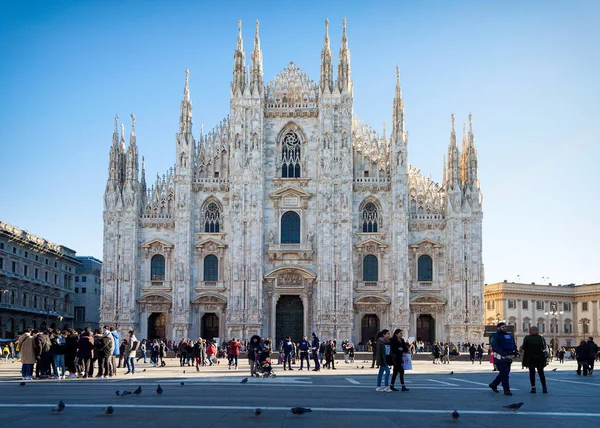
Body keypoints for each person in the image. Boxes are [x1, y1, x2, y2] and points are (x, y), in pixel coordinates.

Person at [489, 322, 518, 396]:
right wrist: (503, 354)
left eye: (505, 327)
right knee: (505, 373)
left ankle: (494, 384)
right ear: (498, 328)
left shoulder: (509, 335)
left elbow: (513, 345)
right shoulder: (495, 336)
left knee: (505, 373)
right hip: (500, 357)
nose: (505, 328)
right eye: (503, 327)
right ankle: (506, 390)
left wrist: (515, 353)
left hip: (508, 357)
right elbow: (495, 346)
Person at [520, 326, 548, 394]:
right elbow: (544, 347)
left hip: (530, 358)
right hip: (540, 358)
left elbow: (523, 347)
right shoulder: (541, 338)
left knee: (532, 373)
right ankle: (544, 388)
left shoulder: (527, 338)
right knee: (541, 373)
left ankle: (533, 388)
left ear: (530, 331)